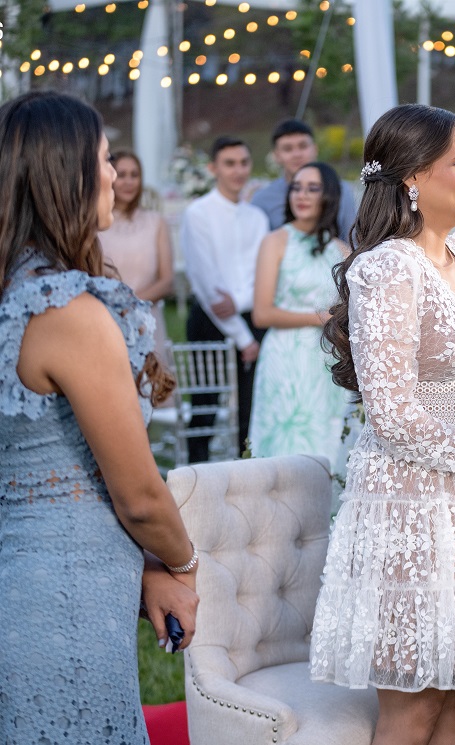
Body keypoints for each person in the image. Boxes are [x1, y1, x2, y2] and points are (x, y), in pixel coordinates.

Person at [310, 104, 455, 745]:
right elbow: (392, 417)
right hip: (407, 505)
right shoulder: (385, 268)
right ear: (413, 176)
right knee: (415, 706)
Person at [0, 91, 199, 742]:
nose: (114, 175)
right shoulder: (63, 312)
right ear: (66, 175)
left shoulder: (13, 293)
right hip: (59, 602)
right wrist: (182, 563)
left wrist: (143, 567)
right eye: (106, 159)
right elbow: (139, 494)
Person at [248, 161, 353, 480]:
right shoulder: (276, 241)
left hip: (325, 361)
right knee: (283, 445)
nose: (302, 195)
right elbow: (262, 313)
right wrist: (317, 317)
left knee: (326, 442)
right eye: (296, 187)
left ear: (329, 196)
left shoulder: (341, 250)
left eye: (312, 188)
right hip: (286, 357)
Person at [179, 135, 269, 461]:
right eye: (229, 164)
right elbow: (207, 283)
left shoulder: (256, 218)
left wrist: (244, 307)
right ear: (213, 168)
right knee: (206, 407)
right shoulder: (198, 213)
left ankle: (246, 475)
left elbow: (260, 273)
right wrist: (243, 338)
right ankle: (196, 479)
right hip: (210, 320)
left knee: (250, 408)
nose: (238, 171)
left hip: (251, 314)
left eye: (244, 163)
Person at [98, 150, 174, 363]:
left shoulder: (156, 222)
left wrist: (131, 304)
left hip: (147, 322)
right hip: (107, 321)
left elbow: (167, 281)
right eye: (122, 175)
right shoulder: (95, 226)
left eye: (135, 175)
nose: (129, 181)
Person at [251, 119, 357, 241]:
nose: (297, 154)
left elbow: (352, 240)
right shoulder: (262, 199)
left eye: (303, 146)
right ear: (276, 156)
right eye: (288, 149)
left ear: (315, 149)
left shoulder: (342, 190)